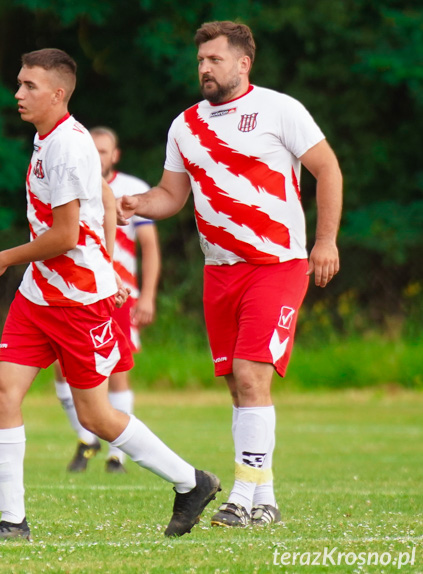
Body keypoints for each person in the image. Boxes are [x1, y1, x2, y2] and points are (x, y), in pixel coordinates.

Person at [0, 48, 220, 540]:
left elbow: (65, 236)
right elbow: (105, 197)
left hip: (78, 303)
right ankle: (12, 522)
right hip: (39, 296)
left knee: (97, 415)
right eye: (19, 83)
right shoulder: (46, 137)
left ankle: (191, 482)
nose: (18, 93)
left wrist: (5, 257)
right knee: (2, 393)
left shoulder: (69, 145)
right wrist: (108, 257)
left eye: (29, 86)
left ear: (58, 94)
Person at [118, 21, 342, 528]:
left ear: (244, 63)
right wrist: (136, 205)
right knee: (239, 389)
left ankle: (241, 499)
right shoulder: (186, 125)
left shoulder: (280, 109)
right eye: (200, 61)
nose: (204, 68)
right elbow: (171, 196)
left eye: (214, 60)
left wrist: (324, 241)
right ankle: (265, 500)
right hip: (219, 272)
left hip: (277, 264)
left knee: (250, 376)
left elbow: (327, 168)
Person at [54, 126, 161, 474]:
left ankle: (118, 455)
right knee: (60, 368)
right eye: (93, 150)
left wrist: (147, 295)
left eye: (104, 151)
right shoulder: (73, 182)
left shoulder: (132, 189)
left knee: (116, 371)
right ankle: (87, 439)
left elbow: (150, 248)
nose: (98, 156)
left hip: (117, 296)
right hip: (75, 292)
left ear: (114, 155)